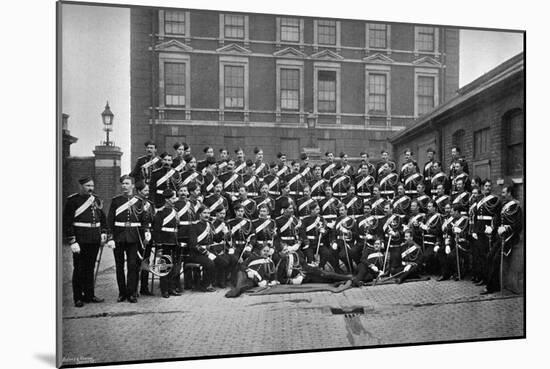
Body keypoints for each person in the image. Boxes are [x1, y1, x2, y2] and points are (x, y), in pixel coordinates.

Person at [63, 176, 107, 307]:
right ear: (81, 186)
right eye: (88, 186)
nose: (91, 188)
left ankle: (89, 295)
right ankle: (78, 297)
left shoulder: (96, 200)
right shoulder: (73, 201)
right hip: (80, 240)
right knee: (79, 269)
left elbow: (102, 218)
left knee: (90, 268)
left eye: (92, 186)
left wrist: (104, 232)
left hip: (94, 239)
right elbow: (67, 223)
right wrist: (72, 241)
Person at [107, 175, 152, 303]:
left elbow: (144, 219)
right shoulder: (116, 201)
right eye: (123, 184)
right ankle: (122, 293)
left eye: (127, 183)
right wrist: (110, 237)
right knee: (119, 265)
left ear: (132, 186)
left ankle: (132, 292)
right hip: (119, 236)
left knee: (133, 265)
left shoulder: (139, 201)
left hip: (134, 236)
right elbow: (110, 220)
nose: (124, 186)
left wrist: (147, 231)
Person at [483, 184, 522, 295]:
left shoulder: (516, 207)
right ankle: (492, 283)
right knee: (489, 256)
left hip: (510, 237)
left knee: (496, 259)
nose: (502, 194)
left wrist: (506, 228)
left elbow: (518, 225)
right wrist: (492, 228)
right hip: (501, 237)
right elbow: (497, 218)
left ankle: (491, 287)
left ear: (509, 193)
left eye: (504, 192)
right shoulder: (504, 205)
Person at [151, 189, 181, 298]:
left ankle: (171, 288)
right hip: (165, 242)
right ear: (167, 200)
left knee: (174, 266)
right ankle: (164, 290)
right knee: (165, 266)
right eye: (173, 198)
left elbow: (177, 227)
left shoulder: (175, 211)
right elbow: (156, 229)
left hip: (174, 241)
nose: (175, 200)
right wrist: (158, 243)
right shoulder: (160, 213)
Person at [471, 179, 501, 287]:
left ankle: (487, 278)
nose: (488, 187)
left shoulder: (494, 199)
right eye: (486, 186)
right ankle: (481, 277)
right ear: (483, 187)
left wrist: (493, 227)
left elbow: (497, 215)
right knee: (479, 255)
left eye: (489, 186)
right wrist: (474, 230)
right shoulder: (479, 198)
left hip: (488, 229)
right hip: (479, 228)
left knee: (486, 255)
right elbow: (475, 216)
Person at [187, 205, 217, 292]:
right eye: (204, 213)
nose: (207, 215)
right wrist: (206, 253)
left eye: (208, 213)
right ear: (200, 214)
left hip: (207, 252)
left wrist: (226, 232)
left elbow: (215, 238)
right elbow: (193, 244)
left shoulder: (209, 225)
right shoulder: (194, 226)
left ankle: (213, 282)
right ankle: (205, 285)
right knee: (210, 263)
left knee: (221, 260)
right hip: (195, 253)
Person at [134, 181, 156, 296]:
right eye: (145, 190)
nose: (147, 193)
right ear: (138, 191)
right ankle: (134, 289)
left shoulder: (150, 204)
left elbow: (153, 219)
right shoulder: (134, 203)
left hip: (149, 234)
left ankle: (144, 287)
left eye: (148, 190)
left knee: (146, 261)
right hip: (139, 233)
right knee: (137, 261)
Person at [173, 185, 195, 292]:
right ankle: (176, 284)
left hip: (190, 234)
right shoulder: (175, 204)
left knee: (189, 258)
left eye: (185, 191)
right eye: (181, 191)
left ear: (188, 193)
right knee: (178, 260)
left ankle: (189, 283)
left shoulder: (191, 204)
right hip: (180, 233)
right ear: (178, 193)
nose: (183, 193)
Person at [210, 206, 235, 288]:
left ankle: (226, 279)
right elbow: (215, 239)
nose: (222, 215)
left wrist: (229, 236)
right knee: (223, 261)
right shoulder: (211, 224)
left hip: (224, 247)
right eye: (220, 213)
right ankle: (220, 281)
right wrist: (223, 233)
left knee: (234, 258)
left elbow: (228, 239)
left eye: (224, 213)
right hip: (213, 248)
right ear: (216, 214)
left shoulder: (226, 224)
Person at [418, 200, 443, 274]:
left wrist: (428, 229)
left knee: (425, 256)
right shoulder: (426, 216)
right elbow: (422, 229)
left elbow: (439, 231)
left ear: (434, 208)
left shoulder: (439, 217)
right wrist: (420, 226)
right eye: (427, 206)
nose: (428, 208)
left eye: (430, 206)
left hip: (433, 242)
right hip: (424, 241)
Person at [332, 204, 358, 273]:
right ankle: (337, 271)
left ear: (346, 211)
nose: (341, 212)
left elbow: (355, 234)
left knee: (344, 255)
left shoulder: (351, 221)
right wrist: (334, 241)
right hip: (339, 242)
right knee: (332, 252)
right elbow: (334, 232)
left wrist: (347, 232)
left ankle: (350, 268)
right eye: (340, 210)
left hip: (348, 242)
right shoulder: (337, 220)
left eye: (342, 210)